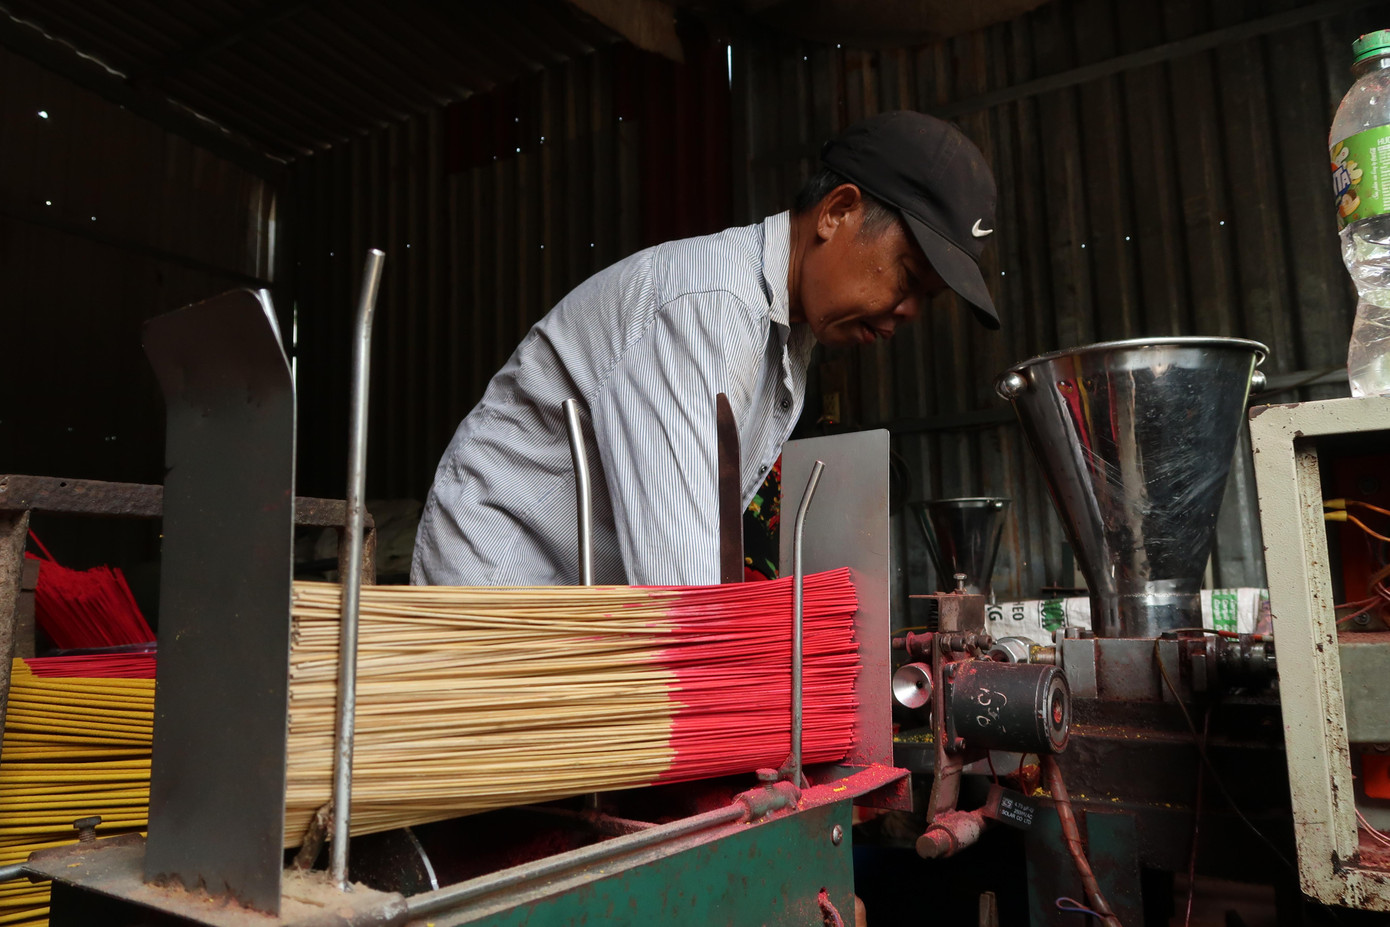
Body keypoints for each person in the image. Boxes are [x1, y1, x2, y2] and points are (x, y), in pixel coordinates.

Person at [411, 110, 998, 587]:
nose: (909, 312)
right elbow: (680, 577)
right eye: (907, 277)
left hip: (576, 602)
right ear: (837, 213)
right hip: (502, 596)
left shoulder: (782, 335)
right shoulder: (708, 311)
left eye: (927, 298)